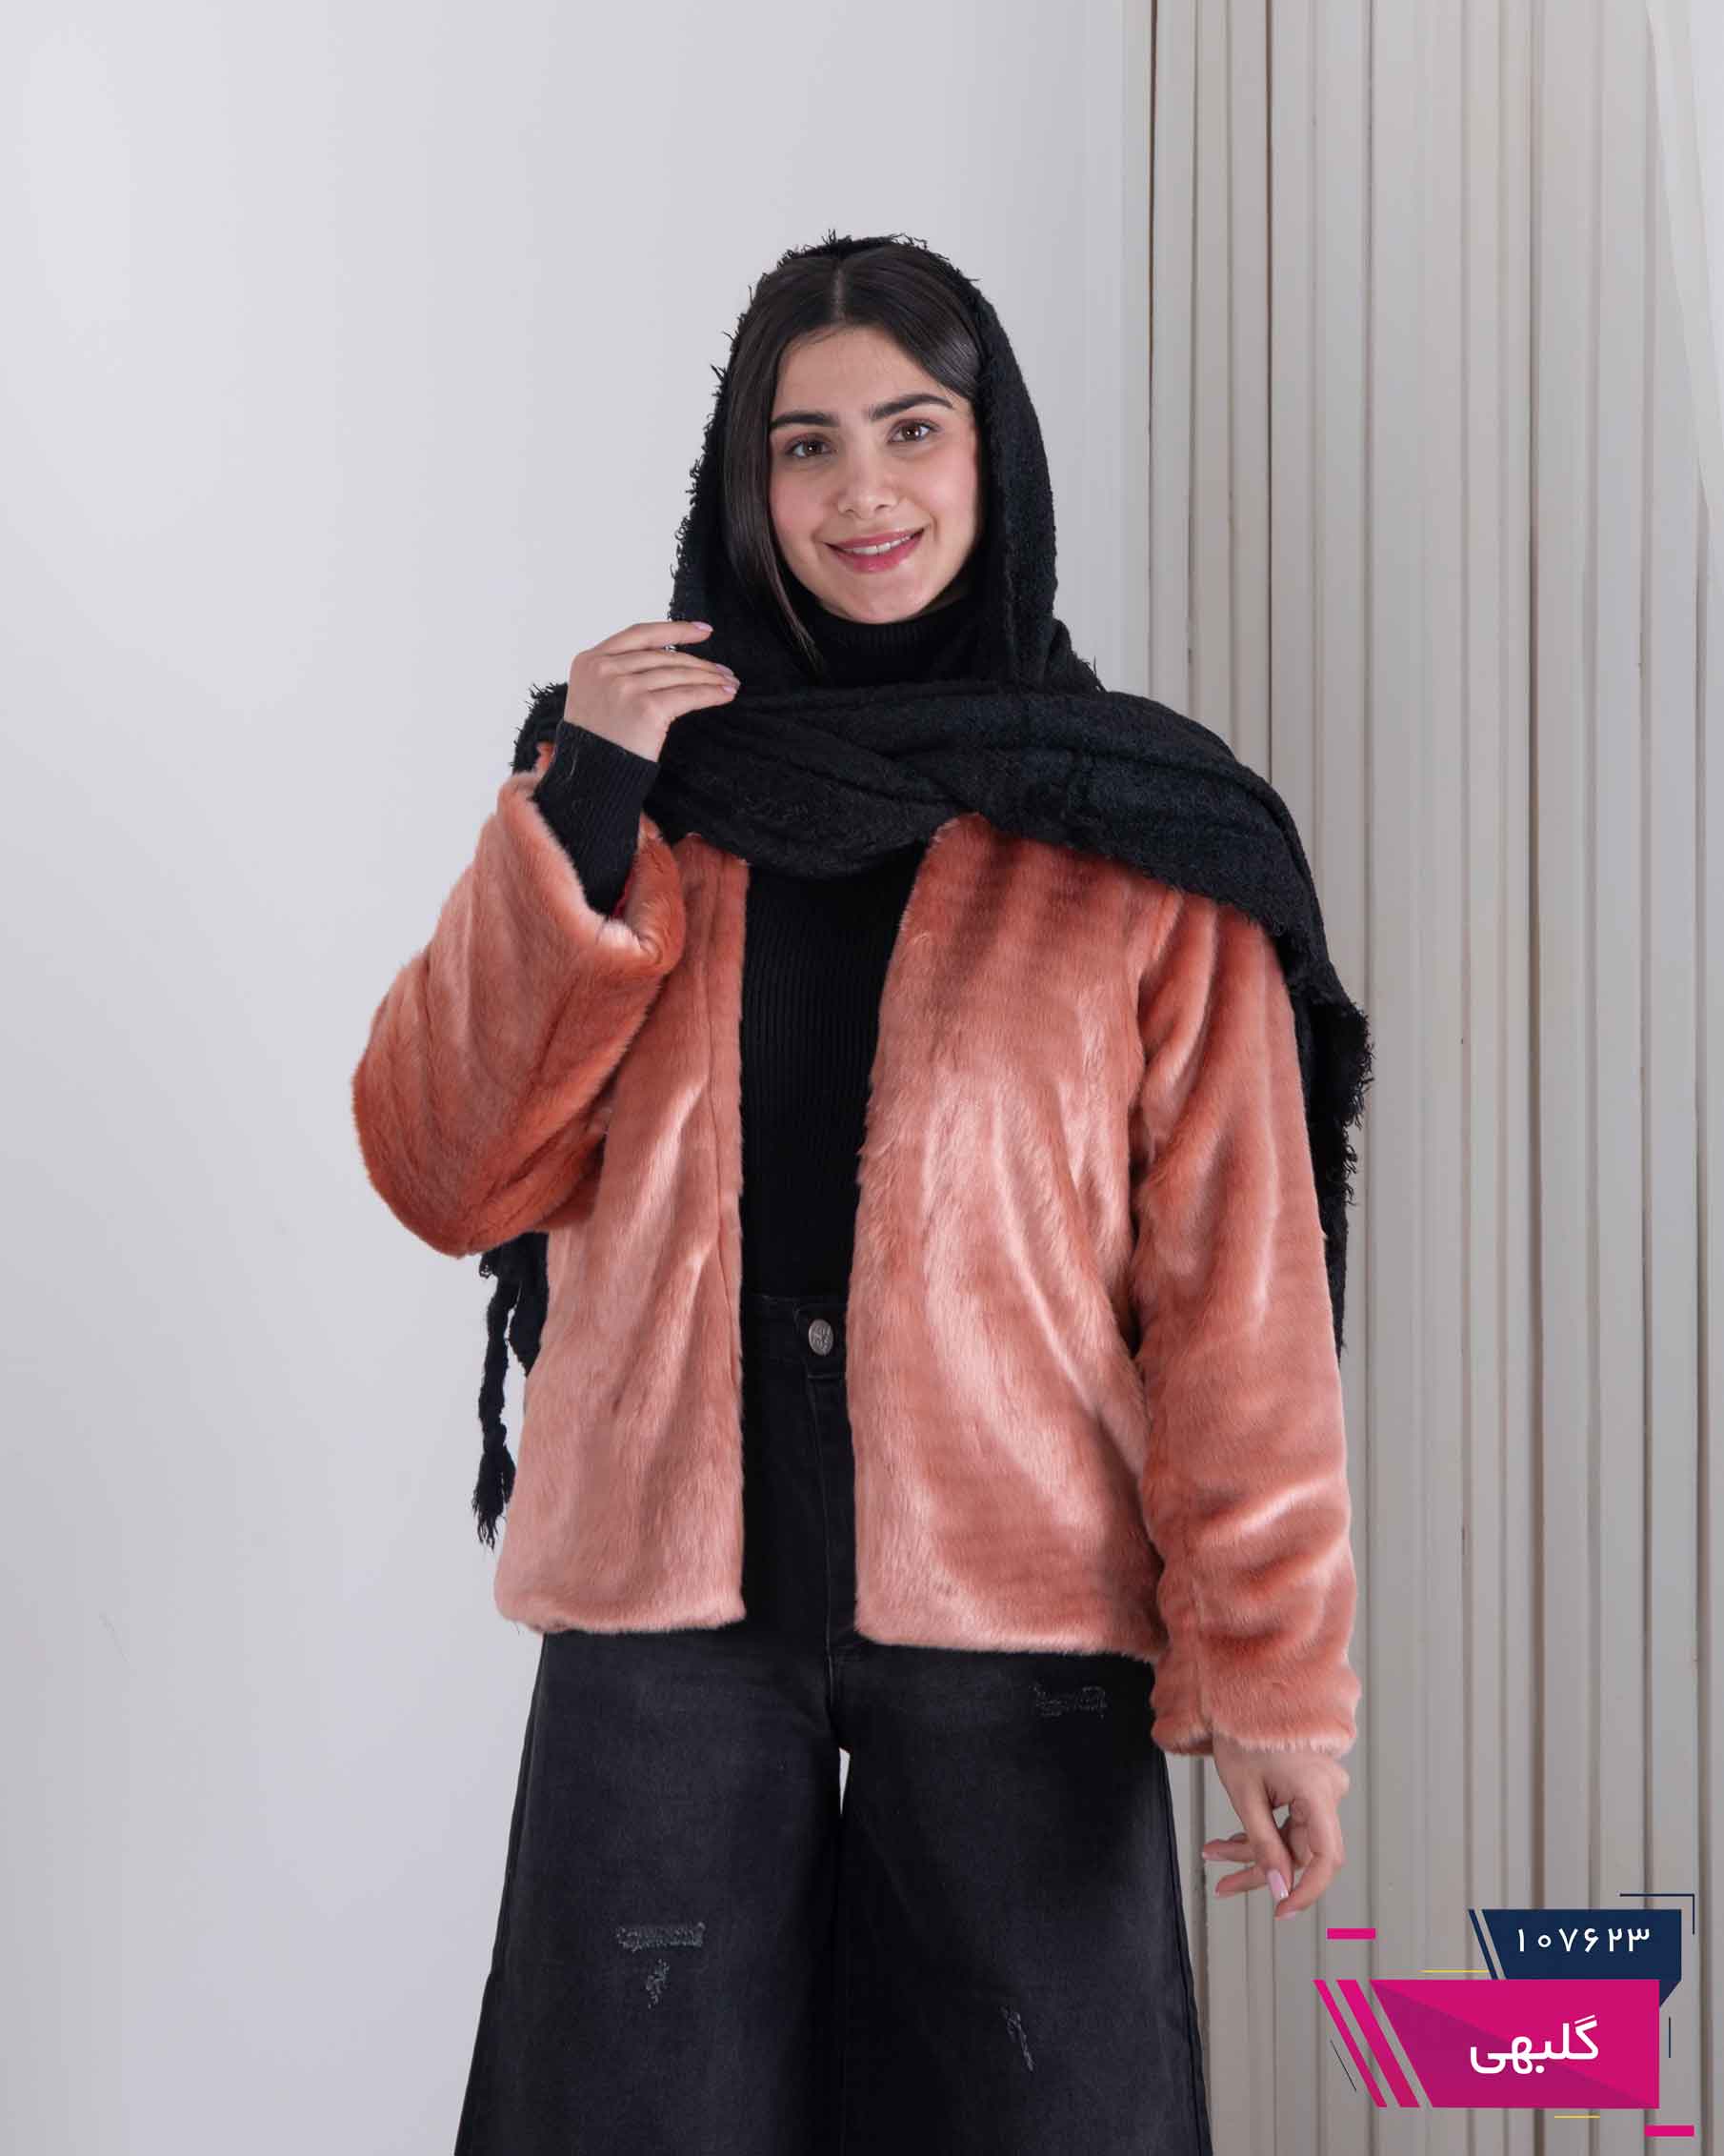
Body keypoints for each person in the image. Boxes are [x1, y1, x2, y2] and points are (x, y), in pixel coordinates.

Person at [351, 232, 1368, 2155]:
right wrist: (583, 804)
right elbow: (440, 1163)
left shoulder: (1134, 820)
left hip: (1017, 1583)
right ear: (745, 485)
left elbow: (1233, 1291)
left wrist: (1271, 1679)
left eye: (910, 429)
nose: (859, 491)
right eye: (802, 445)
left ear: (993, 457)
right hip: (670, 1595)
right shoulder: (639, 787)